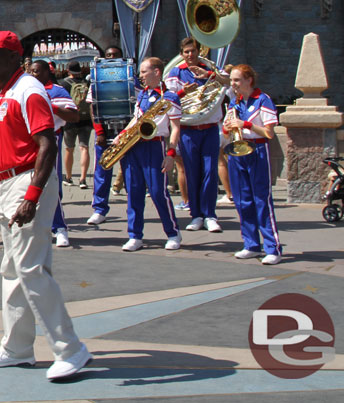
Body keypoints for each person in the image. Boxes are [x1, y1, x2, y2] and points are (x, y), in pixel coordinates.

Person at [0, 31, 90, 380]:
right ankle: (18, 347)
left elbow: (48, 145)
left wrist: (32, 195)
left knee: (31, 269)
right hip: (8, 181)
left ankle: (71, 349)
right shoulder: (2, 92)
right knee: (12, 269)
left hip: (26, 181)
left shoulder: (28, 90)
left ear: (13, 57)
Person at [120, 57, 183, 252]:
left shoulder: (170, 97)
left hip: (156, 146)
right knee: (134, 191)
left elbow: (176, 128)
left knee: (158, 192)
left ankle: (173, 233)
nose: (141, 76)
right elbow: (136, 119)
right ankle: (135, 235)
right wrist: (122, 135)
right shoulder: (143, 95)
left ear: (157, 72)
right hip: (135, 146)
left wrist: (171, 153)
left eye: (144, 72)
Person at [223, 64, 282, 264]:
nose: (233, 84)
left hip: (257, 150)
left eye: (237, 80)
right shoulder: (235, 102)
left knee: (261, 200)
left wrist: (246, 124)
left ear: (249, 80)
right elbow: (227, 130)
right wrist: (227, 127)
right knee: (242, 200)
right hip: (238, 151)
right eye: (232, 80)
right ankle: (251, 244)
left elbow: (269, 133)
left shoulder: (262, 100)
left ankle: (272, 248)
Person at [166, 37, 225, 233]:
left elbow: (230, 83)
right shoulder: (176, 73)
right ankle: (196, 215)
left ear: (199, 51)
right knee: (192, 172)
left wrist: (209, 74)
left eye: (193, 51)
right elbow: (167, 100)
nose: (190, 55)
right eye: (186, 52)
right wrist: (183, 92)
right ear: (181, 54)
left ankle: (210, 215)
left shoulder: (211, 69)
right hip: (188, 129)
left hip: (209, 128)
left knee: (210, 171)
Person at [29, 61, 79, 248]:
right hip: (28, 142)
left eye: (36, 71)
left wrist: (52, 106)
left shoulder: (57, 91)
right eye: (30, 72)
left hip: (49, 140)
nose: (32, 75)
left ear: (46, 73)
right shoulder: (25, 90)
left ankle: (60, 228)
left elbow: (74, 116)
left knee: (51, 184)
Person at [87, 45, 126, 225]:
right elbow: (93, 106)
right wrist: (100, 131)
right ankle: (100, 209)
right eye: (108, 55)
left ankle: (134, 209)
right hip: (105, 131)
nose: (111, 58)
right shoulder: (97, 78)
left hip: (126, 131)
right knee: (102, 171)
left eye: (115, 55)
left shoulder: (129, 75)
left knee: (130, 172)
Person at [59, 62, 92, 188]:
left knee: (69, 149)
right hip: (85, 119)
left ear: (68, 71)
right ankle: (83, 179)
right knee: (84, 147)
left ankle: (68, 177)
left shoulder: (63, 83)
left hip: (70, 119)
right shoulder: (86, 82)